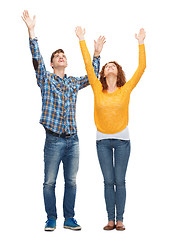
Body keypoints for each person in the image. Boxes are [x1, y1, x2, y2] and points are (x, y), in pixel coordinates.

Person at [21, 10, 104, 231]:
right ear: (52, 62)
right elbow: (36, 58)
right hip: (53, 140)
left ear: (66, 62)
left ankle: (69, 218)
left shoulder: (73, 83)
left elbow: (93, 77)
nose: (61, 57)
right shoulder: (45, 79)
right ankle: (51, 218)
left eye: (64, 55)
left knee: (72, 182)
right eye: (58, 55)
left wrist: (96, 54)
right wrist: (31, 32)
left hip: (73, 140)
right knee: (49, 182)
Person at [75, 26, 146, 231]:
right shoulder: (98, 88)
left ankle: (120, 219)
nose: (110, 67)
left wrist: (140, 43)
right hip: (102, 141)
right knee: (108, 181)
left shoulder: (126, 89)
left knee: (119, 181)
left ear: (118, 71)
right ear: (104, 74)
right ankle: (110, 219)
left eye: (113, 66)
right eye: (107, 66)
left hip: (123, 140)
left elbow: (141, 68)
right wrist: (82, 39)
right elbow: (89, 65)